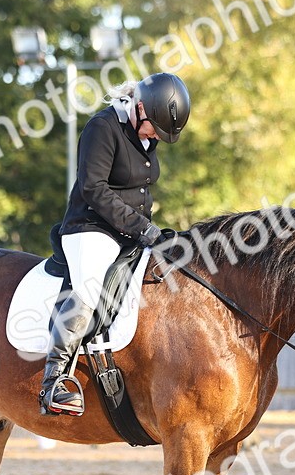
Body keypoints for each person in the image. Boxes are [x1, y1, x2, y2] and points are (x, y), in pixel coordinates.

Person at [39, 72, 191, 416]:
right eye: (154, 127)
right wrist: (144, 228)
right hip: (90, 227)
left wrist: (151, 233)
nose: (155, 136)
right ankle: (54, 383)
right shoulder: (102, 127)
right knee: (89, 291)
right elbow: (94, 188)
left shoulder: (147, 135)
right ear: (139, 107)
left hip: (131, 232)